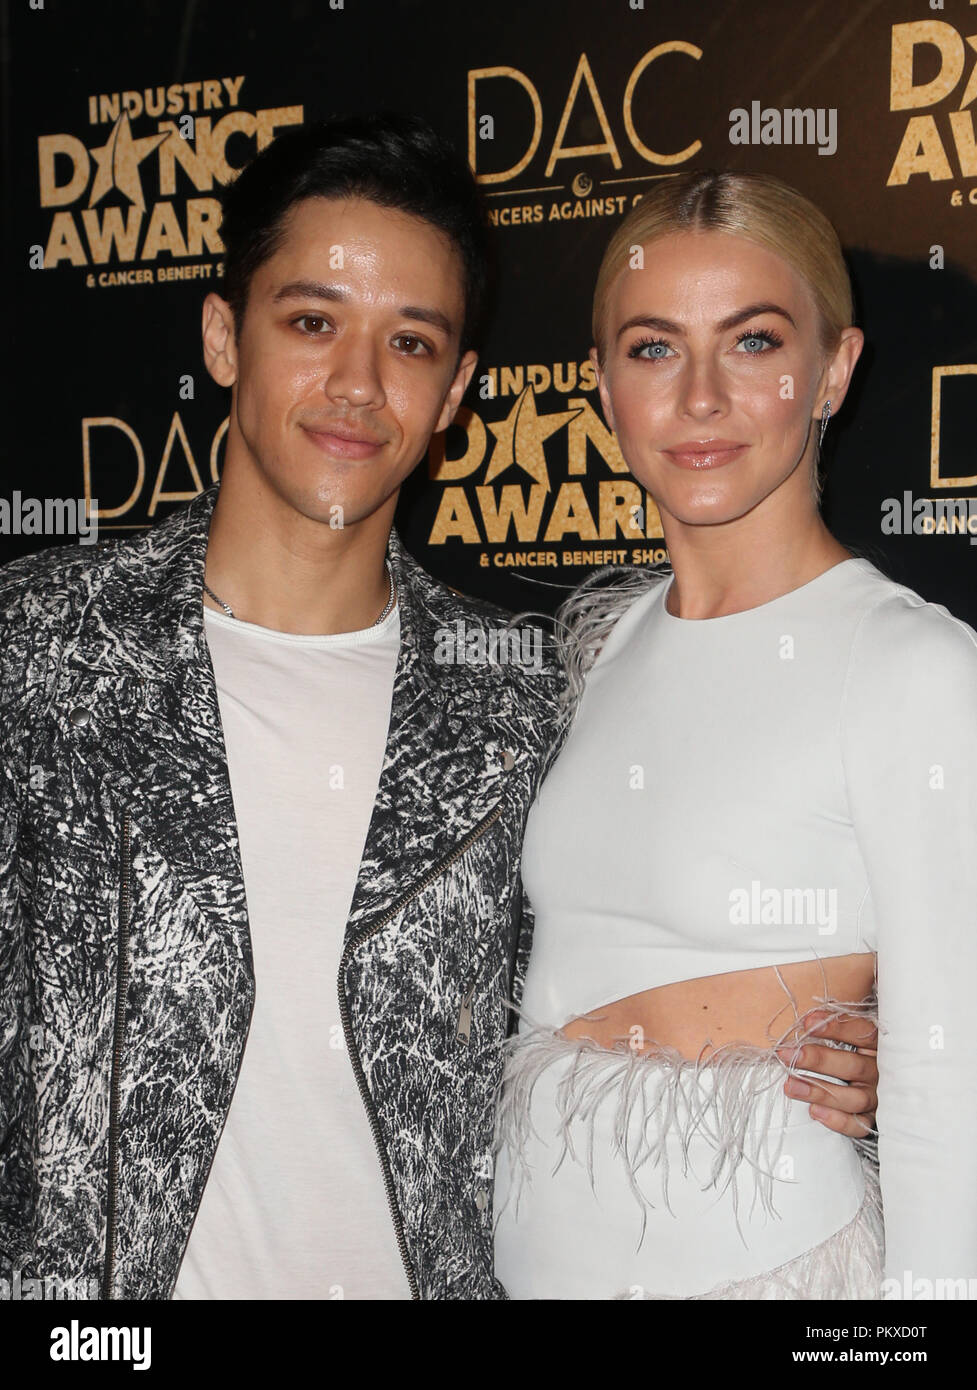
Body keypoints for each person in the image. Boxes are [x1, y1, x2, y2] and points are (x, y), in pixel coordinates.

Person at [0, 122, 877, 1303]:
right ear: (221, 337)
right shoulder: (42, 651)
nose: (358, 384)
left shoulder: (522, 697)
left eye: (409, 341)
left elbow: (623, 971)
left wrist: (852, 1048)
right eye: (311, 323)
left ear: (456, 387)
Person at [493, 170, 977, 1300]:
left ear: (833, 371)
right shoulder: (610, 646)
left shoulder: (909, 665)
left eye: (752, 342)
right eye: (653, 349)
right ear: (602, 386)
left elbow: (948, 1091)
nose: (700, 397)